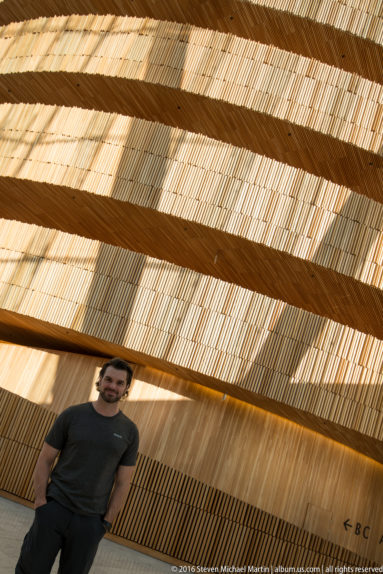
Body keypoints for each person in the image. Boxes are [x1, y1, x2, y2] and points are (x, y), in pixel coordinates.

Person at [15, 357, 139, 574]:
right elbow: (45, 459)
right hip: (54, 509)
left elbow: (123, 483)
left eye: (120, 383)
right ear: (99, 381)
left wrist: (106, 522)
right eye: (108, 379)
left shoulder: (129, 431)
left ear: (126, 388)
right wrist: (41, 501)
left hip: (91, 522)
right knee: (30, 569)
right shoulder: (72, 415)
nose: (113, 386)